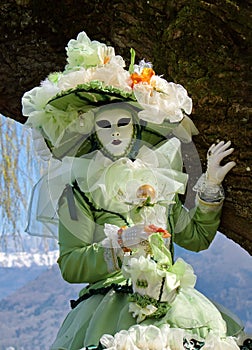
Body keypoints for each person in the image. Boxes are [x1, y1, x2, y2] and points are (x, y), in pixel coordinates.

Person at [22, 31, 248, 350]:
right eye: (105, 125)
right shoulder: (78, 193)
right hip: (109, 309)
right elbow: (71, 265)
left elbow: (195, 237)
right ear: (94, 132)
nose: (115, 133)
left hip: (174, 301)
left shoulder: (156, 184)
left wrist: (209, 185)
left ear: (136, 127)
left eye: (123, 123)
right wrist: (118, 245)